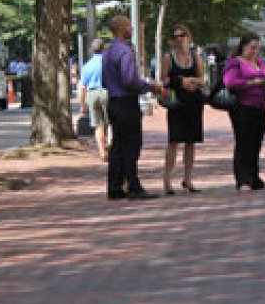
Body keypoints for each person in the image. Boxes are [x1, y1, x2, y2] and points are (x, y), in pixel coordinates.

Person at [101, 14, 161, 200]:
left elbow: (104, 80)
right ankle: (133, 185)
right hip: (126, 102)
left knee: (118, 145)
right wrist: (150, 86)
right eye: (129, 26)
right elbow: (129, 80)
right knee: (131, 145)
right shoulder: (125, 51)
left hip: (113, 101)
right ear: (121, 29)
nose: (131, 29)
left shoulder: (108, 51)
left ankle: (114, 186)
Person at [223, 32, 265, 191]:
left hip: (260, 106)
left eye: (257, 48)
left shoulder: (260, 62)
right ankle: (243, 179)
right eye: (252, 48)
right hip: (242, 107)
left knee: (256, 142)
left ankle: (254, 175)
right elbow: (230, 82)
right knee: (243, 142)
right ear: (243, 46)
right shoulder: (235, 63)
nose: (255, 51)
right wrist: (252, 82)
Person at [161, 24, 206, 195]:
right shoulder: (168, 57)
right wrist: (180, 82)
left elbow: (202, 78)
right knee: (173, 141)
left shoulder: (196, 56)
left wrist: (192, 81)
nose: (180, 39)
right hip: (177, 103)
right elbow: (163, 79)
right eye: (176, 36)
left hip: (194, 102)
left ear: (189, 37)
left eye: (183, 35)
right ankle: (167, 180)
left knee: (191, 142)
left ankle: (188, 179)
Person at [79, 39, 110, 163]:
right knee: (111, 122)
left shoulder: (87, 65)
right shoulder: (108, 63)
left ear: (91, 50)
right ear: (104, 49)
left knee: (98, 125)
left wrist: (82, 105)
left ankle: (102, 151)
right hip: (107, 91)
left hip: (92, 93)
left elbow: (82, 86)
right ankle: (111, 142)